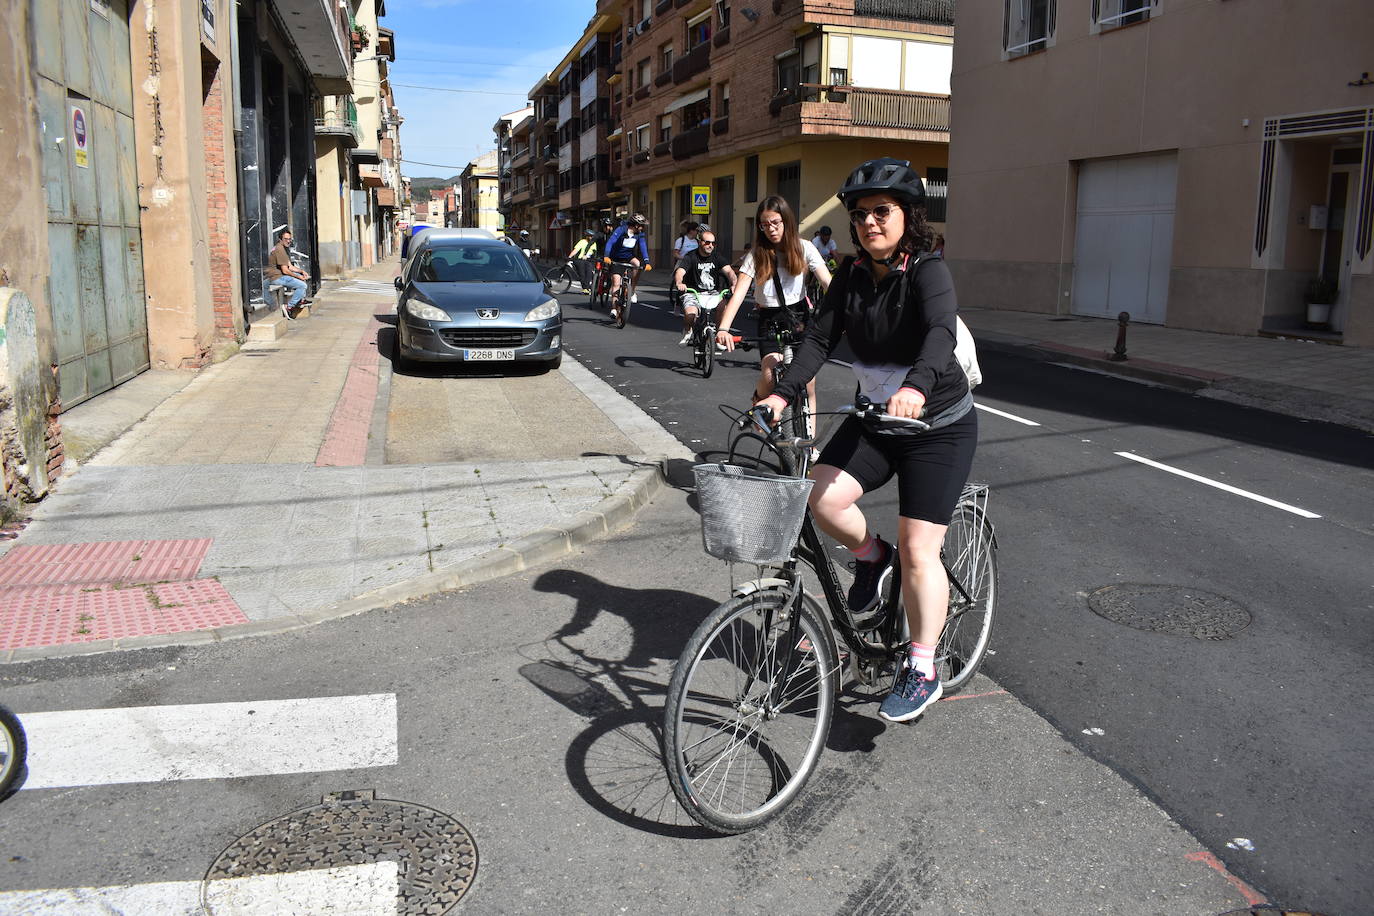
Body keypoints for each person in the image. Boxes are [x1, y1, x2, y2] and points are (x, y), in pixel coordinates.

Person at [754, 157, 977, 724]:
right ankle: (873, 559)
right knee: (821, 494)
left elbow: (938, 334)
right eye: (860, 215)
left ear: (907, 216)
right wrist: (781, 393)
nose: (870, 223)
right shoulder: (850, 275)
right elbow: (817, 340)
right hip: (877, 418)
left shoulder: (928, 270)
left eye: (882, 212)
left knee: (922, 548)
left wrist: (917, 388)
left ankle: (922, 667)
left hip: (936, 425)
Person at [714, 197, 832, 428]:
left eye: (775, 223)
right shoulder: (756, 255)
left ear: (787, 221)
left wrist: (847, 314)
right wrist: (724, 328)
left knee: (808, 383)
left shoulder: (805, 247)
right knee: (770, 370)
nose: (771, 229)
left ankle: (810, 442)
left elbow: (828, 283)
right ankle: (758, 404)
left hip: (798, 316)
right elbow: (738, 294)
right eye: (764, 225)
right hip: (769, 318)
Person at [672, 227, 738, 347]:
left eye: (713, 243)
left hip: (713, 293)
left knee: (723, 308)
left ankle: (719, 335)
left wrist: (734, 284)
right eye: (707, 242)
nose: (710, 245)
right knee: (691, 314)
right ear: (699, 242)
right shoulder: (691, 256)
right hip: (693, 292)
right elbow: (680, 272)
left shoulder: (717, 257)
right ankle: (688, 330)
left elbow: (730, 272)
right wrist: (679, 283)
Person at [603, 212, 651, 321]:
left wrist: (647, 262)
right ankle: (614, 309)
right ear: (635, 225)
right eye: (641, 225)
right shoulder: (621, 230)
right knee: (616, 282)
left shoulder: (639, 234)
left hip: (628, 257)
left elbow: (643, 246)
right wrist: (606, 256)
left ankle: (632, 290)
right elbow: (610, 242)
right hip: (616, 259)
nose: (643, 228)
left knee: (637, 264)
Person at [266, 228, 310, 319]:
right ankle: (289, 306)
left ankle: (300, 300)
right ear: (280, 239)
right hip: (275, 278)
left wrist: (301, 272)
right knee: (302, 285)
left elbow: (290, 266)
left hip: (280, 276)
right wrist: (298, 277)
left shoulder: (285, 249)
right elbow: (285, 270)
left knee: (301, 279)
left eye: (290, 239)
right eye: (286, 239)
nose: (288, 241)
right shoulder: (279, 249)